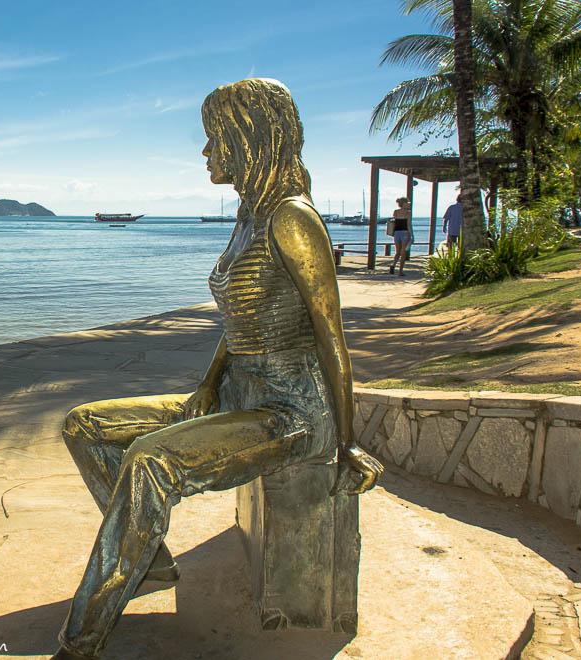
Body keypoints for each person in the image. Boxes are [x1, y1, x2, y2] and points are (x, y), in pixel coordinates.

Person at [50, 78, 383, 660]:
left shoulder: (292, 220)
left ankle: (80, 643)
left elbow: (333, 340)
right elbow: (240, 326)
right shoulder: (248, 215)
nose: (206, 153)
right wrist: (206, 387)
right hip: (237, 393)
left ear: (247, 139)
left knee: (150, 461)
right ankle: (148, 562)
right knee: (83, 424)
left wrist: (347, 443)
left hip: (292, 413)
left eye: (214, 140)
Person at [389, 196, 412, 276]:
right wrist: (412, 235)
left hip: (396, 233)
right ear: (404, 204)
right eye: (407, 203)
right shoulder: (408, 213)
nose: (409, 204)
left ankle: (393, 265)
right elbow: (408, 225)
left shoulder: (395, 212)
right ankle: (400, 271)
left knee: (397, 252)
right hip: (404, 233)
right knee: (403, 253)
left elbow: (394, 221)